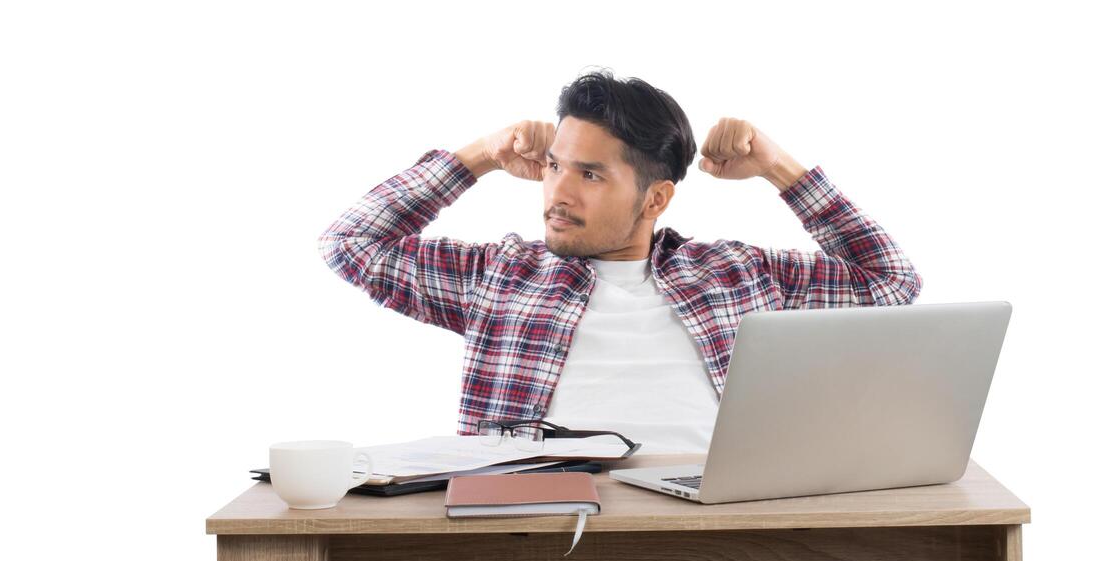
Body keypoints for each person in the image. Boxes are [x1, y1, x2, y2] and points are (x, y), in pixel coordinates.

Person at [319, 68, 923, 454]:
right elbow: (352, 244)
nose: (558, 191)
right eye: (555, 165)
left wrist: (777, 167)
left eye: (590, 174)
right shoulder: (501, 276)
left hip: (716, 529)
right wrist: (480, 155)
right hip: (539, 526)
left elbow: (890, 283)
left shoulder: (737, 275)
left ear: (655, 198)